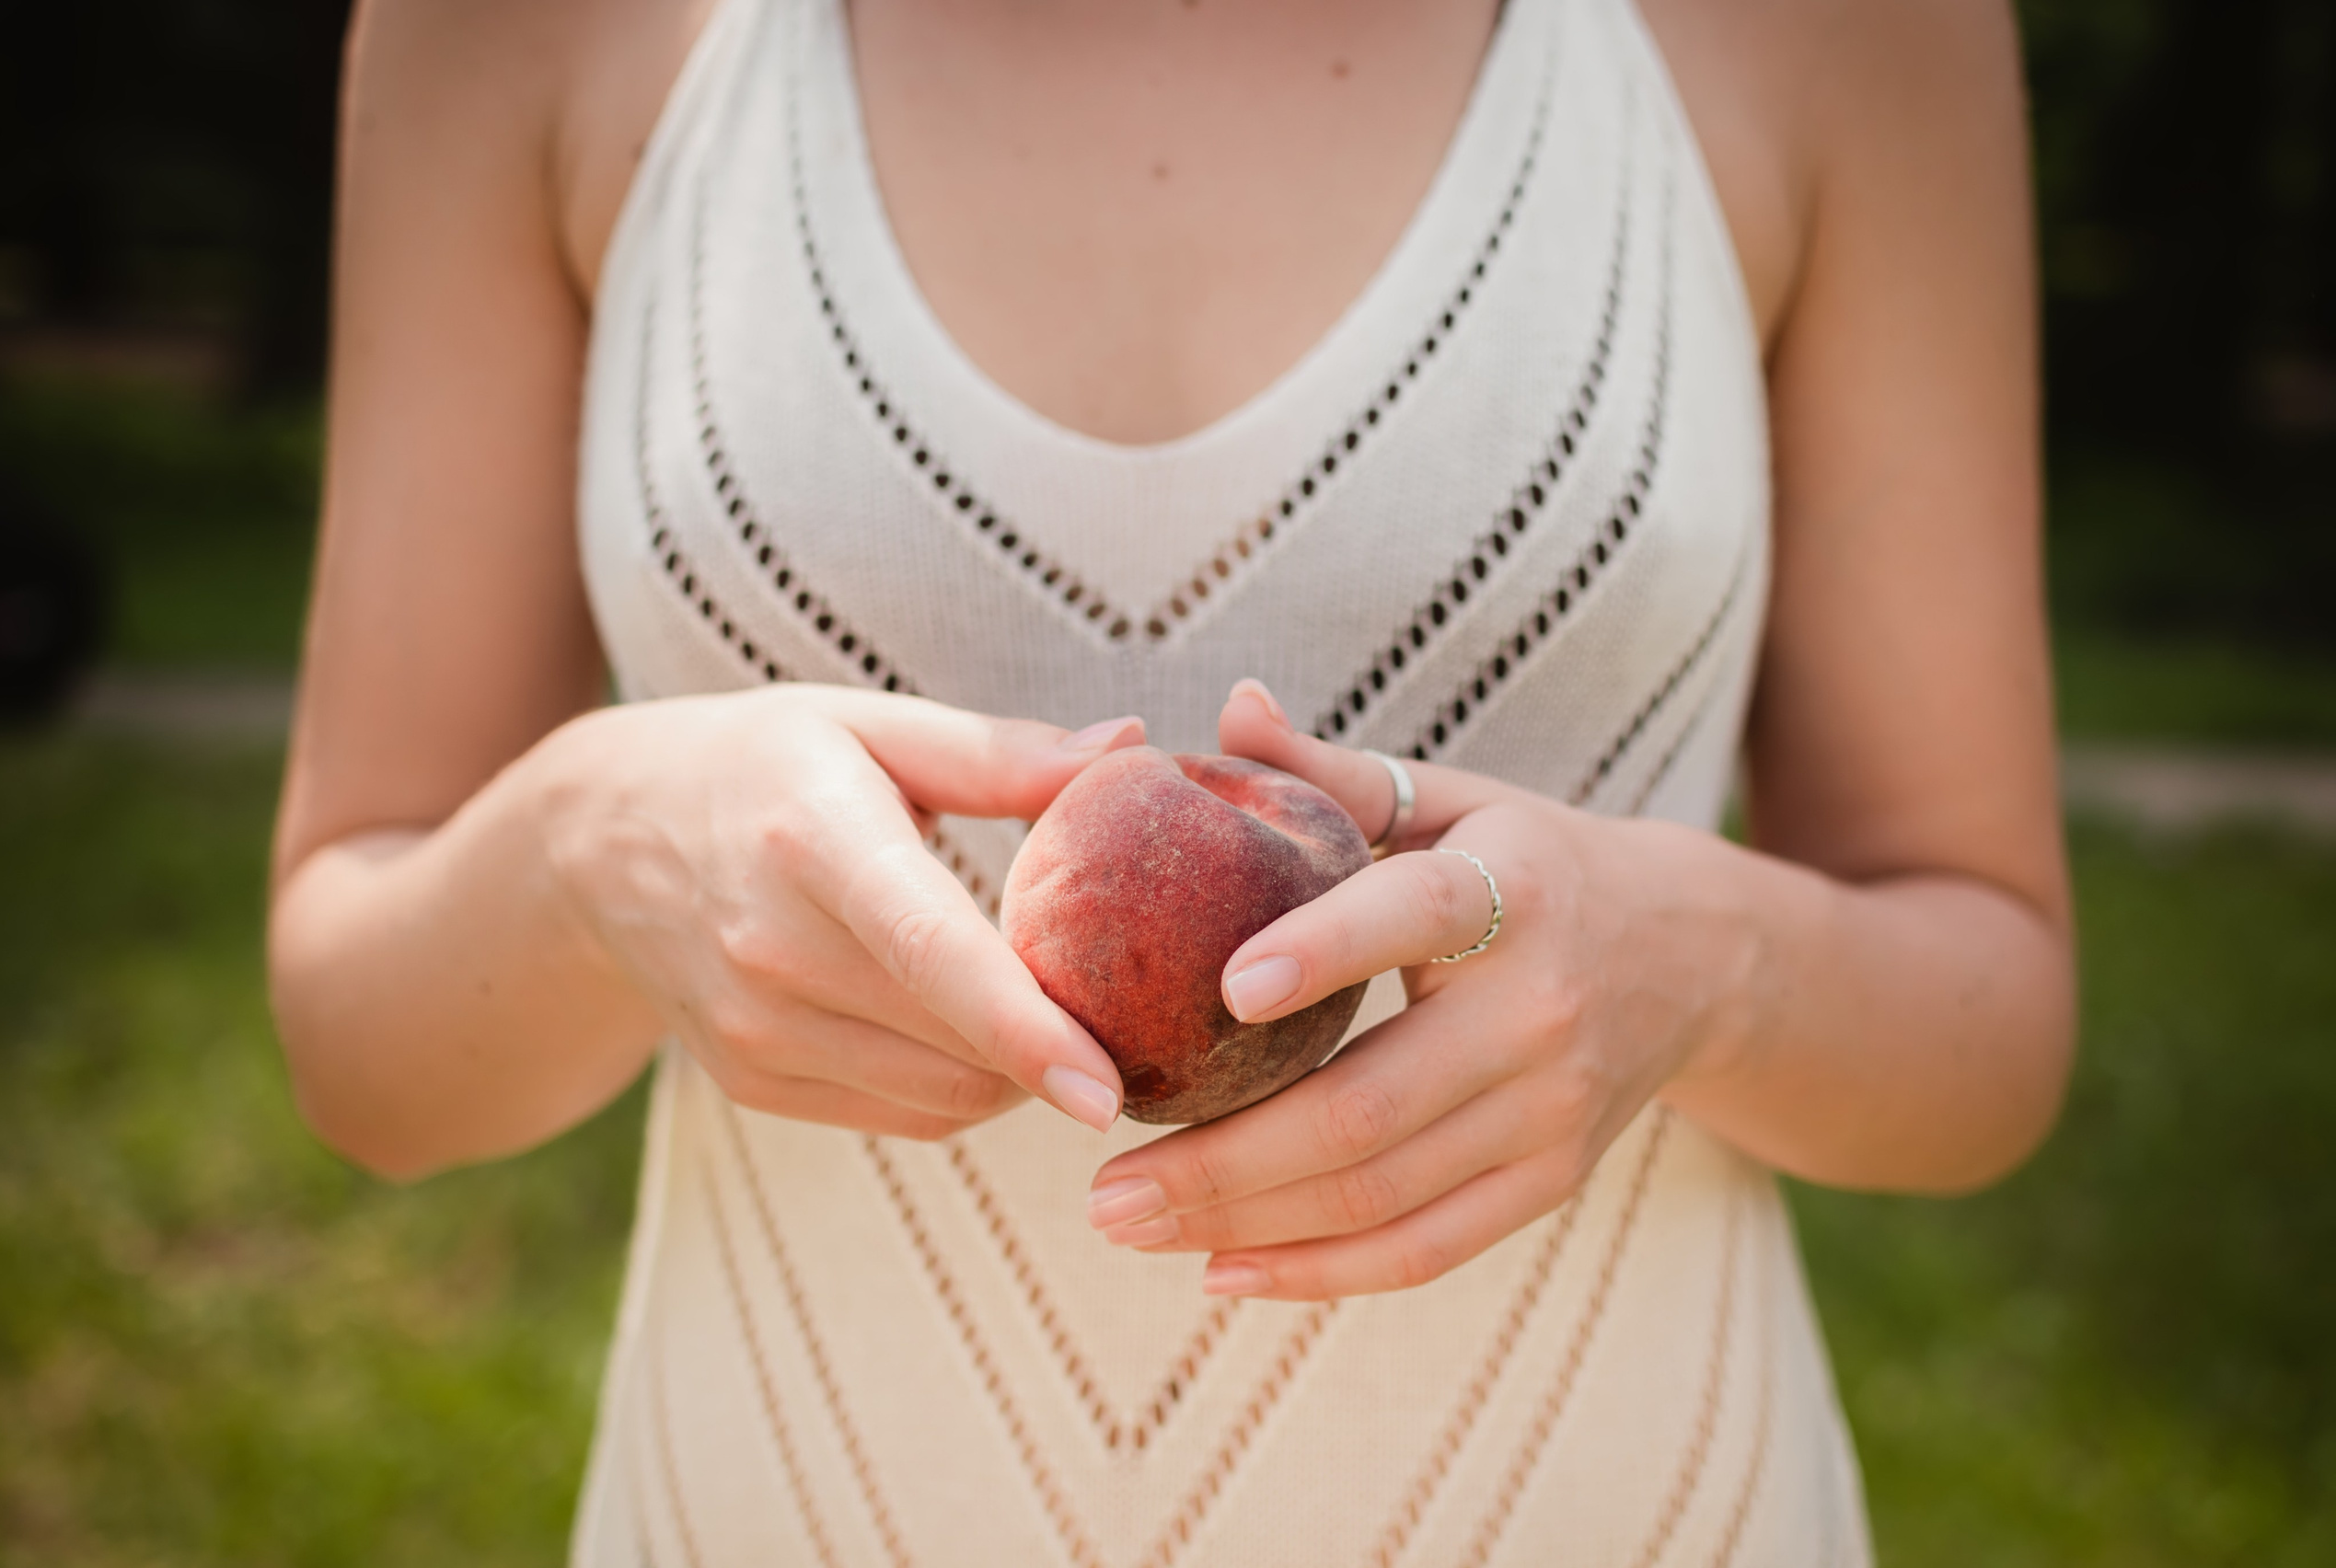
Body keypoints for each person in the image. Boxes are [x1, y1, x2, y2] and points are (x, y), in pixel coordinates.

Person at [269, 0, 2070, 1560]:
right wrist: (587, 853)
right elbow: (361, 1050)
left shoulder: (1839, 30)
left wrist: (1699, 963)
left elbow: (1986, 1028)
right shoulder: (516, 29)